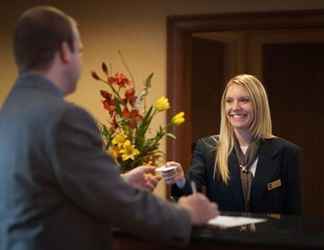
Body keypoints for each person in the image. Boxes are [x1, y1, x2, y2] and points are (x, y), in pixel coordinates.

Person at [0, 6, 218, 250]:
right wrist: (186, 214)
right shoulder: (64, 118)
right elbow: (116, 205)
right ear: (64, 52)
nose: (80, 60)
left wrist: (120, 181)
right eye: (79, 51)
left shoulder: (9, 114)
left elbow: (47, 190)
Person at [162, 74, 302, 215]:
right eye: (229, 101)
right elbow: (191, 195)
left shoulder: (286, 152)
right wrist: (180, 180)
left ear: (259, 105)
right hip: (224, 236)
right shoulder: (207, 148)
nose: (235, 107)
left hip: (268, 236)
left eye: (244, 100)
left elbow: (293, 215)